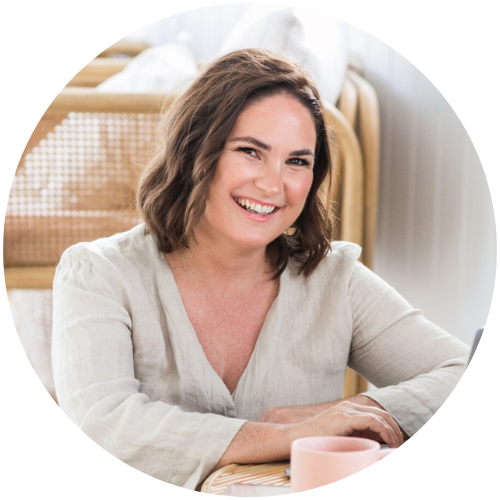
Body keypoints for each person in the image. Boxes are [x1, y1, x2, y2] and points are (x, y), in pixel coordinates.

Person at [52, 48, 469, 490]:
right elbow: (104, 423)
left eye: (297, 161)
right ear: (195, 150)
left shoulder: (336, 280)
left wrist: (361, 412)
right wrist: (286, 435)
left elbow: (457, 368)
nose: (273, 185)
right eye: (250, 151)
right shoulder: (98, 274)